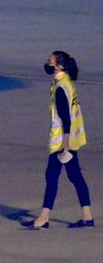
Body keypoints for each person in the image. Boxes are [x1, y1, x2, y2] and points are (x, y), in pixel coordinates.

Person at [22, 51, 94, 230]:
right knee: (75, 176)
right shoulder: (67, 83)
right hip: (72, 139)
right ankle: (87, 216)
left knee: (52, 177)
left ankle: (43, 219)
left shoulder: (61, 87)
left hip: (62, 141)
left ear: (58, 65)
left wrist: (66, 143)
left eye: (50, 61)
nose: (47, 63)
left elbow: (65, 118)